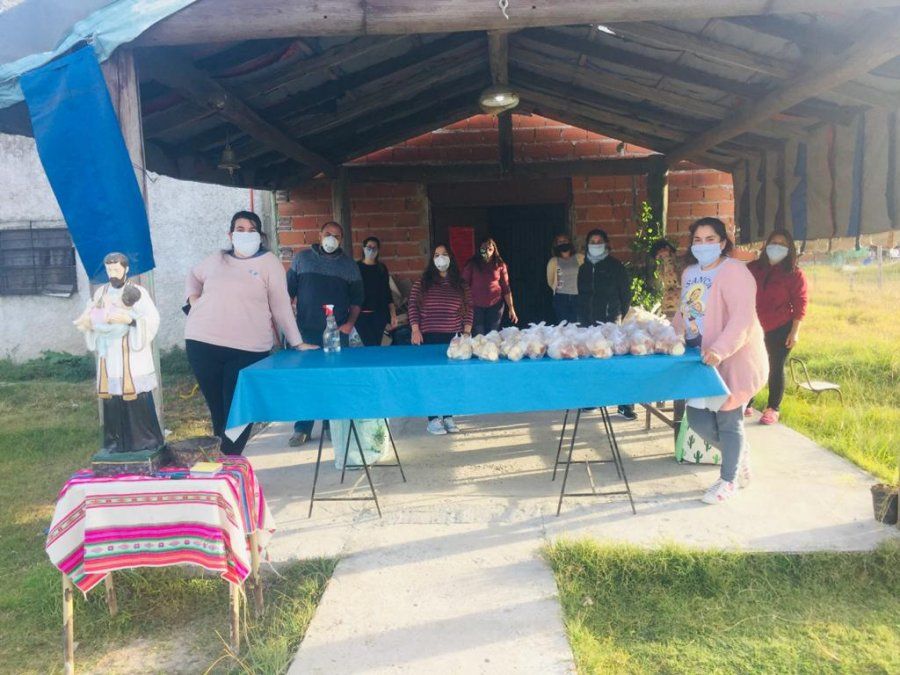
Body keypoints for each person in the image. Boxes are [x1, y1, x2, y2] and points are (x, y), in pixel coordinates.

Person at [184, 211, 318, 456]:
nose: (245, 233)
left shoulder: (269, 262)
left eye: (251, 229)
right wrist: (193, 299)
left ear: (260, 235)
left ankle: (229, 462)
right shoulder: (216, 259)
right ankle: (224, 466)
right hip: (202, 342)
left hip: (248, 348)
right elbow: (193, 276)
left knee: (241, 410)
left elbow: (281, 305)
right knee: (218, 410)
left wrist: (297, 342)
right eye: (240, 228)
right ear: (230, 234)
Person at [675, 217, 768, 505]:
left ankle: (728, 480)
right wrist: (671, 335)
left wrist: (720, 349)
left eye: (710, 239)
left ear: (723, 243)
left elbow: (743, 318)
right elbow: (685, 309)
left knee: (728, 420)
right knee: (698, 419)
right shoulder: (690, 272)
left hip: (731, 358)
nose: (703, 245)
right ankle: (737, 455)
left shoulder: (735, 272)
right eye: (698, 240)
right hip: (699, 359)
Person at [75, 252, 165, 458]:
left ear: (125, 269)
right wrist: (94, 322)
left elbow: (151, 320)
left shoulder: (137, 293)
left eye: (116, 269)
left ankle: (146, 440)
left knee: (137, 397)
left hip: (131, 354)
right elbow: (93, 315)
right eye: (109, 270)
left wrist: (130, 321)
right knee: (113, 399)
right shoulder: (101, 293)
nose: (112, 273)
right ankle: (115, 442)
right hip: (110, 354)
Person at [286, 220, 364, 446]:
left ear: (341, 240)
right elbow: (286, 294)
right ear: (319, 235)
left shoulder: (349, 265)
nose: (332, 239)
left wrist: (349, 324)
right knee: (306, 380)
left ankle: (332, 424)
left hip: (337, 332)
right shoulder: (302, 259)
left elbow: (357, 300)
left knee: (334, 379)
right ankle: (302, 427)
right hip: (306, 333)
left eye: (337, 236)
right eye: (328, 234)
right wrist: (290, 328)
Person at [408, 243, 473, 435]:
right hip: (428, 336)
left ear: (451, 258)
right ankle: (433, 419)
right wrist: (415, 329)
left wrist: (466, 334)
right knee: (431, 377)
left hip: (453, 339)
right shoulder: (423, 282)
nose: (440, 258)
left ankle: (448, 416)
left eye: (444, 254)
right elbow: (412, 305)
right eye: (436, 255)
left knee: (450, 378)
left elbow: (469, 308)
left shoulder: (460, 284)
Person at [748, 229, 808, 425]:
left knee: (775, 367)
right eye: (774, 242)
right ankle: (746, 402)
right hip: (752, 327)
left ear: (789, 249)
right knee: (750, 365)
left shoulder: (794, 274)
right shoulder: (753, 268)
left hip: (780, 327)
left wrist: (795, 332)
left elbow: (800, 303)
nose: (777, 247)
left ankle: (773, 408)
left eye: (782, 244)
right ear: (766, 245)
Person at [577, 228, 636, 420]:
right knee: (591, 361)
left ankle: (624, 404)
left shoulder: (615, 266)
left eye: (599, 241)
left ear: (606, 244)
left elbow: (625, 295)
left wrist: (617, 316)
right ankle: (592, 399)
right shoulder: (583, 268)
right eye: (592, 242)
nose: (595, 245)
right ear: (587, 245)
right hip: (588, 322)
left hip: (611, 321)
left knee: (616, 363)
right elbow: (581, 295)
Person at [462, 236, 518, 335]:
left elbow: (506, 288)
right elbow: (463, 285)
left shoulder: (500, 265)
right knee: (479, 335)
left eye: (490, 249)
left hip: (495, 306)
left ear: (494, 250)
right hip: (476, 306)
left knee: (492, 335)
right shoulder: (472, 264)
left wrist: (511, 308)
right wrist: (463, 305)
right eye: (484, 249)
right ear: (479, 249)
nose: (487, 251)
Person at [355, 236, 398, 346]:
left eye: (374, 248)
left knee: (376, 345)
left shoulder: (381, 268)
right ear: (363, 248)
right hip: (361, 315)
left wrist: (393, 315)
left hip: (379, 315)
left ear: (378, 250)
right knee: (367, 345)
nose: (371, 250)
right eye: (369, 247)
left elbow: (388, 294)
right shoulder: (356, 267)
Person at [546, 233, 584, 324]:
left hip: (578, 297)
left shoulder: (580, 258)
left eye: (565, 241)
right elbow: (550, 281)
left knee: (578, 326)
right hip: (561, 298)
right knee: (564, 327)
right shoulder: (553, 261)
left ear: (569, 242)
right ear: (556, 245)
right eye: (560, 242)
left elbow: (586, 275)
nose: (563, 243)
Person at [648, 239, 682, 320]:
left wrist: (667, 259)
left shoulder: (679, 261)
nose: (661, 258)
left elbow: (673, 279)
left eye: (661, 255)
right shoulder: (662, 265)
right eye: (659, 257)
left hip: (679, 305)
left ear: (667, 248)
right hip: (669, 305)